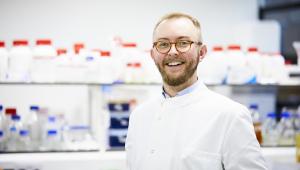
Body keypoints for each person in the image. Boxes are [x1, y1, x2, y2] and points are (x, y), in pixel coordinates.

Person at [125, 12, 268, 170]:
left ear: (202, 52)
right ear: (153, 54)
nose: (172, 52)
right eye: (163, 44)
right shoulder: (139, 116)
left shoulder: (230, 116)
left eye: (183, 42)